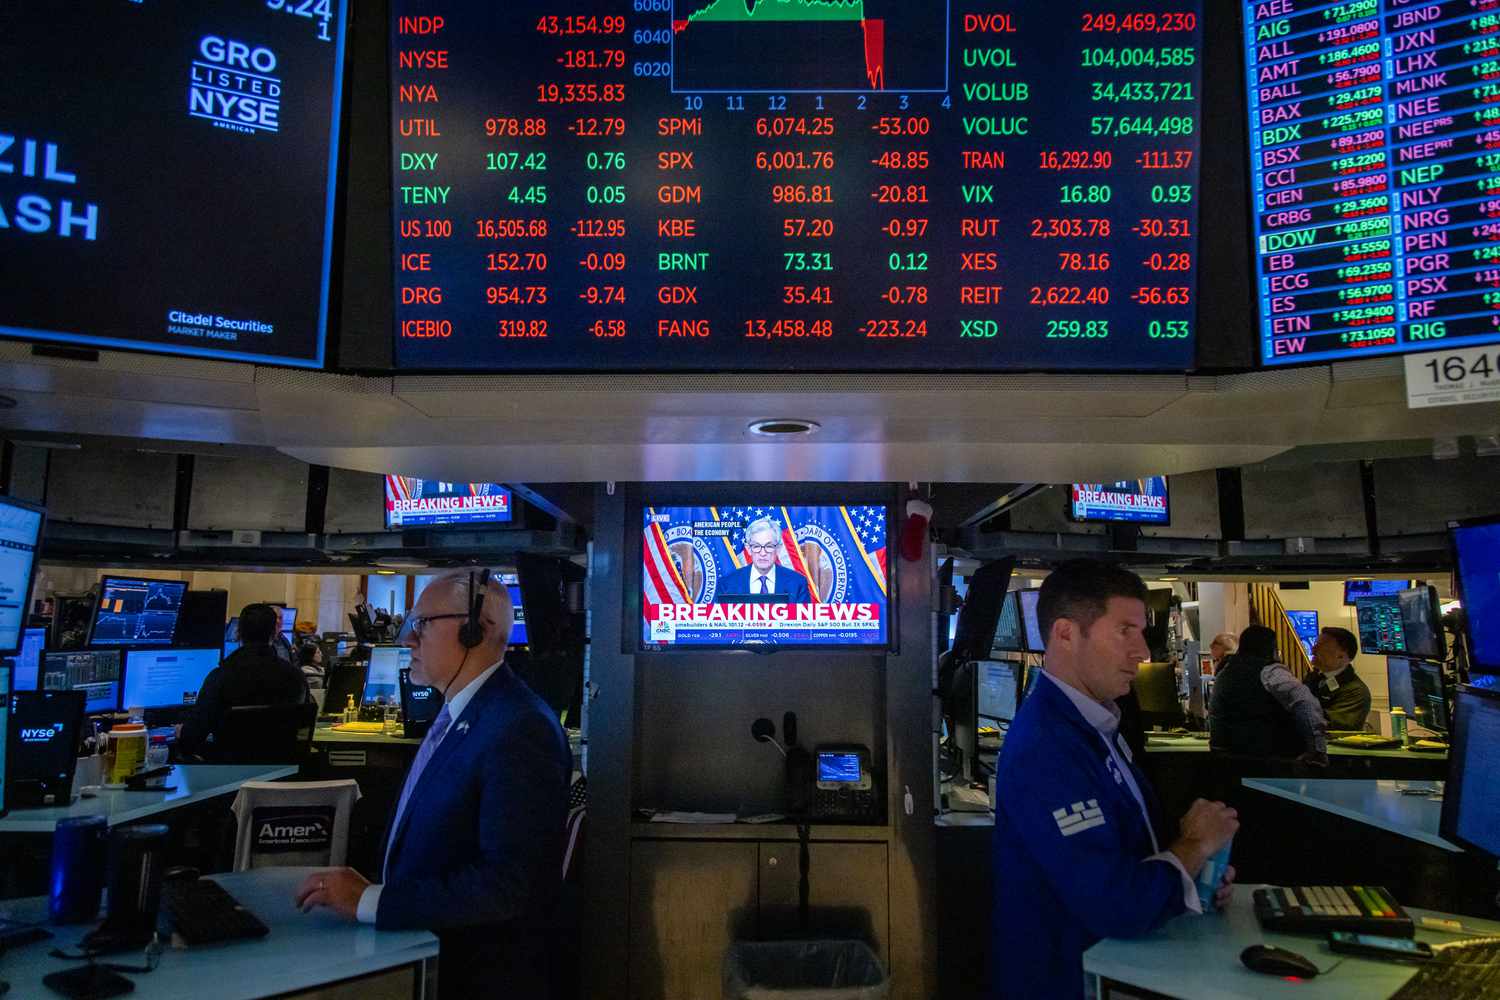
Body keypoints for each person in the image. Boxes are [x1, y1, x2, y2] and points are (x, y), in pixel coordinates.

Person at [294, 569, 571, 999]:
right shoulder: (464, 714)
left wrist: (372, 902)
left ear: (477, 631)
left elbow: (510, 885)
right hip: (423, 955)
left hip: (472, 974)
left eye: (422, 624)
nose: (408, 640)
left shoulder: (519, 726)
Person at [990, 560, 1239, 1000]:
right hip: (1068, 983)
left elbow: (1129, 853)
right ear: (1066, 634)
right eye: (1125, 631)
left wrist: (1191, 872)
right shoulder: (1047, 748)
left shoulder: (1095, 726)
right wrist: (1194, 846)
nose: (1142, 652)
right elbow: (1114, 902)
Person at [177, 603, 309, 759]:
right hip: (284, 773)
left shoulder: (220, 677)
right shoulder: (296, 677)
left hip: (229, 776)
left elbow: (191, 739)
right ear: (275, 632)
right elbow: (303, 729)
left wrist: (181, 731)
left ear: (238, 633)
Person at [1209, 625, 1327, 764]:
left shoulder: (1224, 674)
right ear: (1272, 649)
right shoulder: (1271, 672)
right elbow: (1305, 703)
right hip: (1270, 759)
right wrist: (1317, 749)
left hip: (1228, 759)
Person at [716, 517, 813, 601]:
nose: (763, 553)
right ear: (749, 549)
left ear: (778, 549)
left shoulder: (797, 583)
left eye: (769, 546)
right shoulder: (727, 584)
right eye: (757, 546)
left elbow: (802, 622)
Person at [1305, 626, 1371, 731]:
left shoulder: (1356, 691)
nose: (1313, 650)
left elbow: (1329, 725)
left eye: (1320, 646)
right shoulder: (1314, 677)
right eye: (1315, 644)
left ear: (1341, 655)